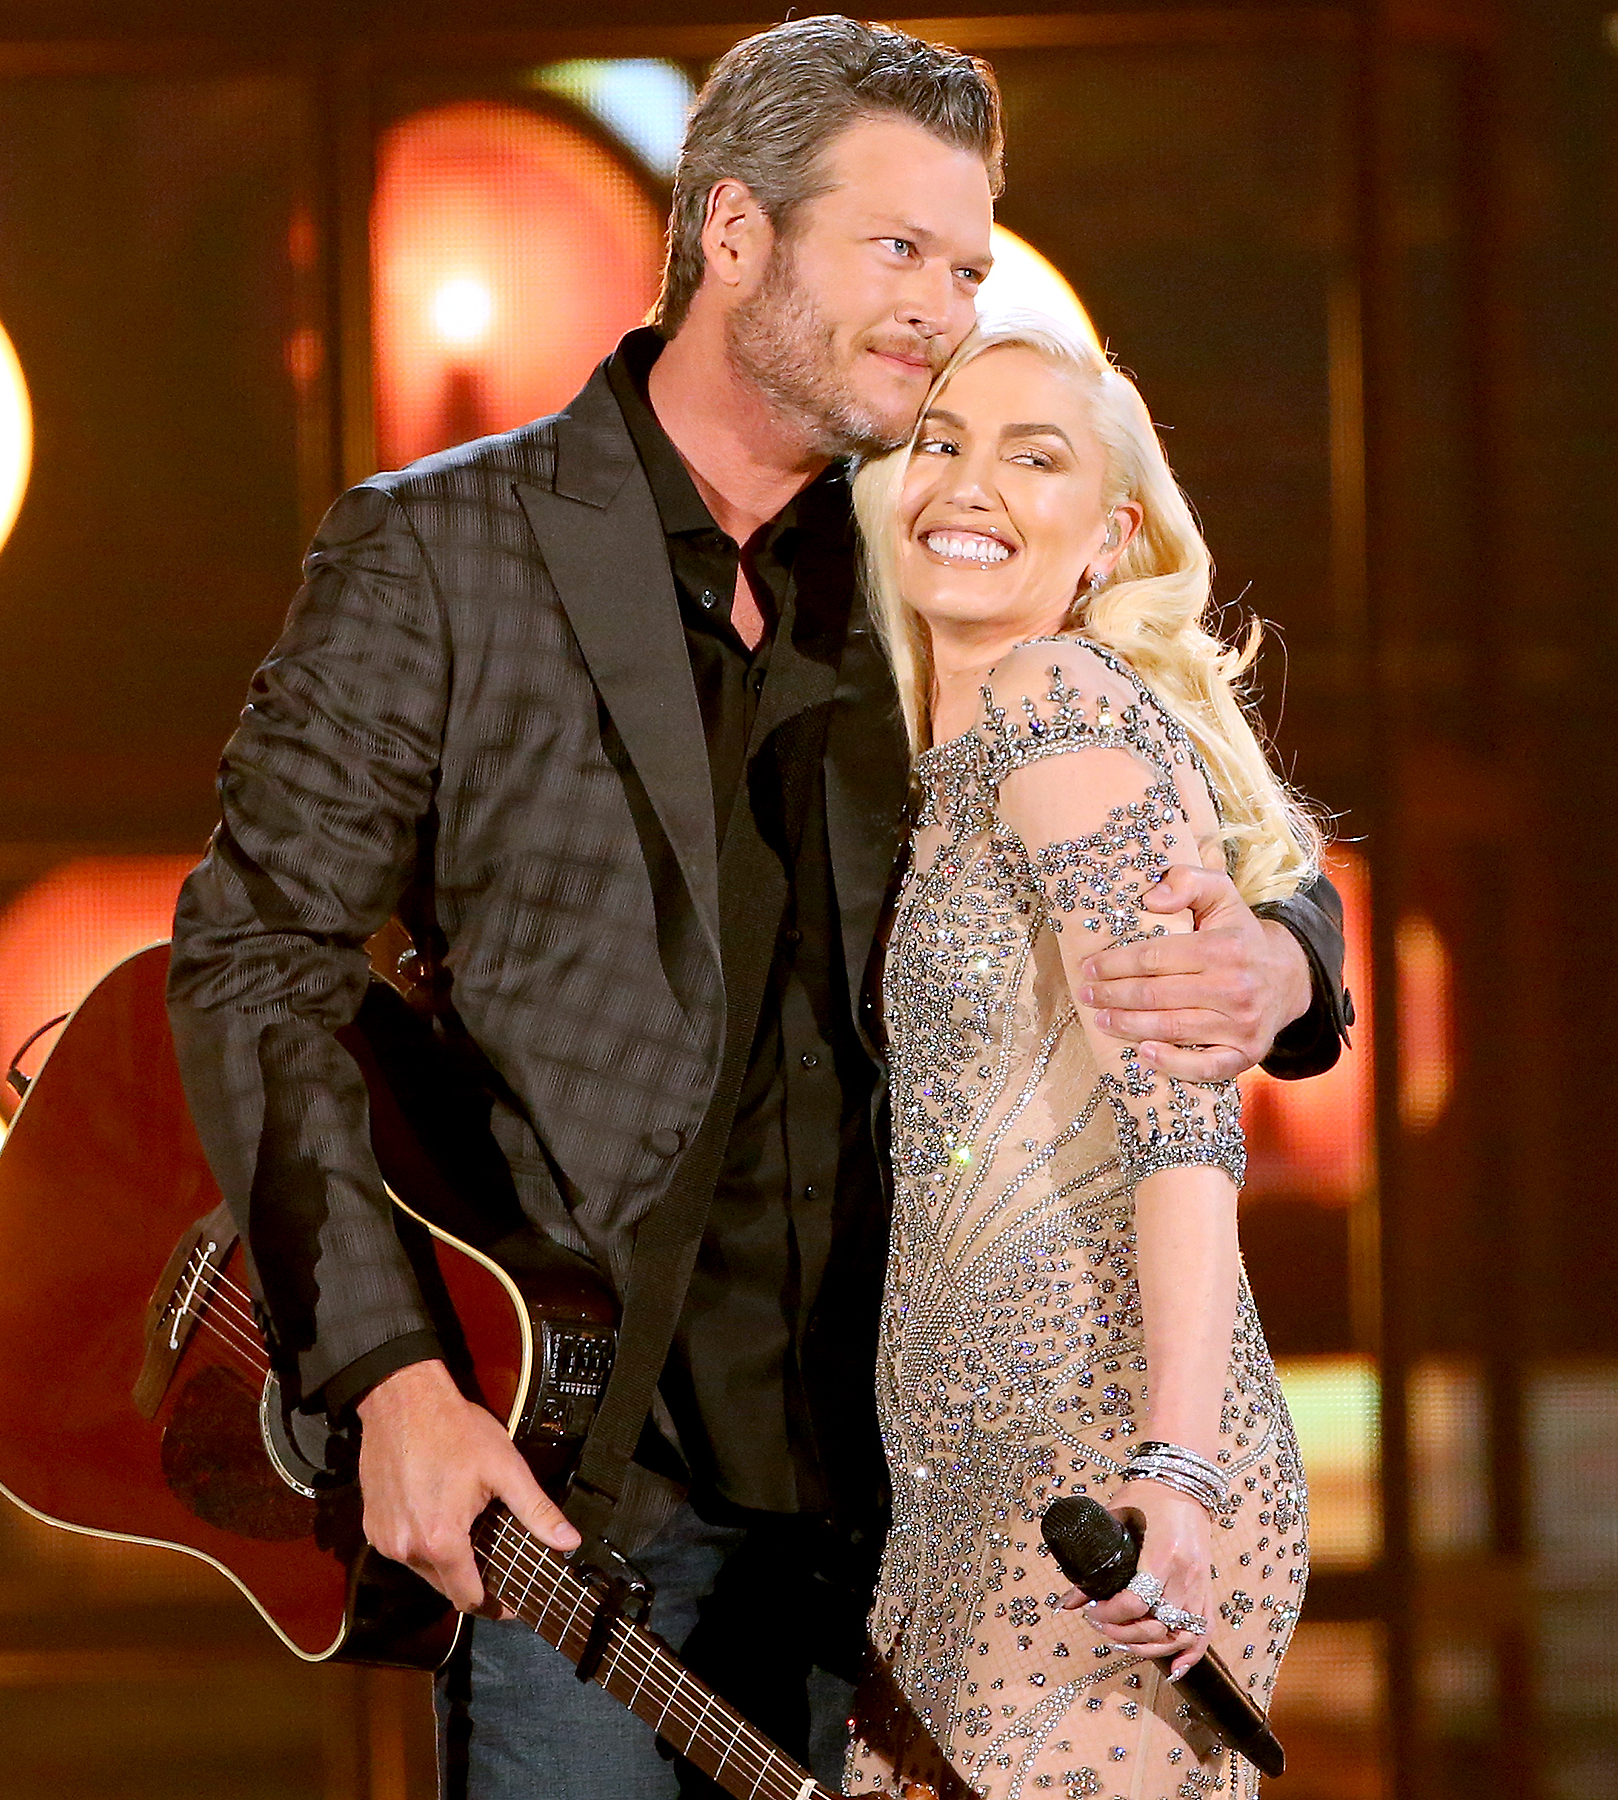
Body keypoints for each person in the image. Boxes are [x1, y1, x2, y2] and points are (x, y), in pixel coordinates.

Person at [167, 19, 1344, 1799]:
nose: (943, 309)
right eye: (899, 250)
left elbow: (1210, 817)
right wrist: (389, 1374)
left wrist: (1281, 960)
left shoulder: (939, 547)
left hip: (934, 1517)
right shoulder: (444, 554)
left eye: (967, 267)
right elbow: (254, 967)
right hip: (584, 1494)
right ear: (734, 232)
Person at [842, 312, 1314, 1800]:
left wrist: (1176, 1470)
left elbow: (1181, 1117)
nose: (969, 483)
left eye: (1032, 457)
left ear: (1111, 536)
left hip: (1101, 1487)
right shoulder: (957, 757)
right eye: (942, 443)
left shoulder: (1054, 705)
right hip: (968, 1490)